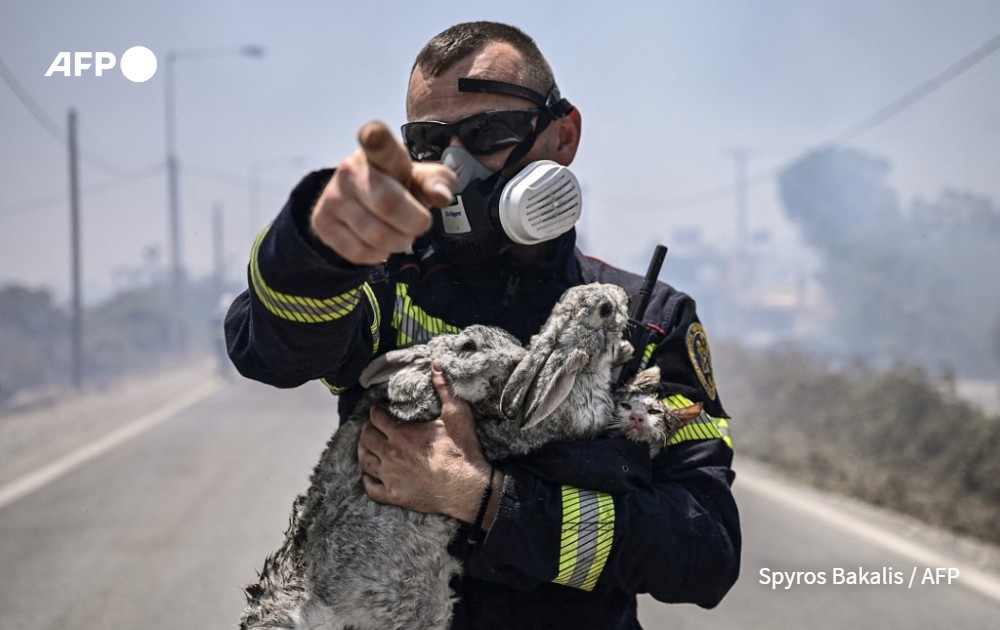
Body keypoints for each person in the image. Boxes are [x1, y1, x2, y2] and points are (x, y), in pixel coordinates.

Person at [225, 21, 740, 629]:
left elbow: (704, 553)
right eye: (429, 141)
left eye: (488, 132)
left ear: (564, 135)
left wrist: (484, 497)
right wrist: (313, 247)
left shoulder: (639, 321)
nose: (454, 166)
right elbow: (274, 353)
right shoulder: (382, 285)